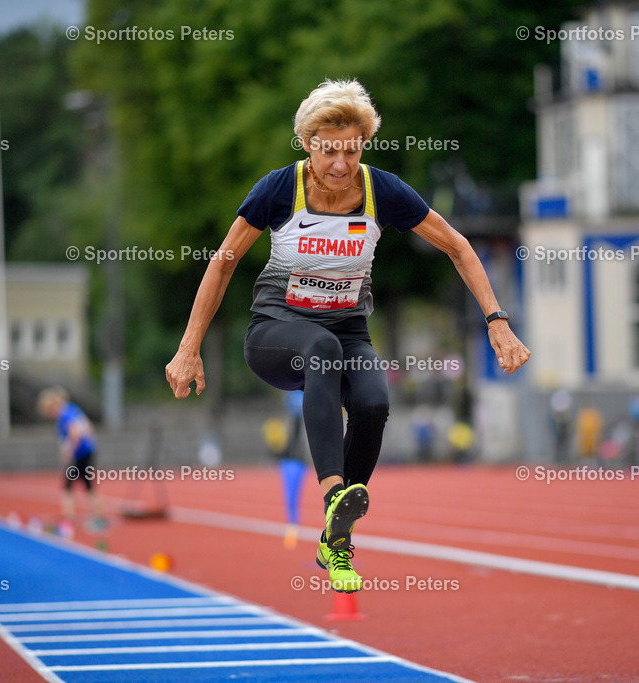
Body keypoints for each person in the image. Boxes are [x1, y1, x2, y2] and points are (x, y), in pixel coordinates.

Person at [166, 79, 530, 593]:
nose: (341, 165)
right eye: (329, 151)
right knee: (322, 348)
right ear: (307, 144)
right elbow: (222, 264)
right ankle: (333, 493)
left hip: (348, 329)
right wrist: (189, 349)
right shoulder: (278, 189)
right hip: (276, 334)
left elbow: (458, 246)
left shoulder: (383, 191)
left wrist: (498, 321)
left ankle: (336, 541)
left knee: (374, 402)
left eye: (352, 151)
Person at [37, 387, 105, 531]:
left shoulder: (64, 415)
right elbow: (88, 428)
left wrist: (69, 452)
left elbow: (75, 433)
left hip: (80, 453)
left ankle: (70, 518)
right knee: (86, 485)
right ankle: (94, 516)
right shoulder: (73, 410)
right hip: (87, 450)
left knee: (69, 486)